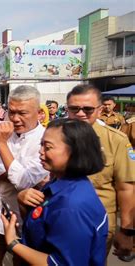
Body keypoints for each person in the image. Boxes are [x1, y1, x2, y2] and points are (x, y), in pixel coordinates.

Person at [3, 118, 108, 265]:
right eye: (41, 145)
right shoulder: (59, 183)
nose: (40, 152)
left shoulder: (72, 206)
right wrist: (23, 201)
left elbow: (59, 263)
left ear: (74, 152)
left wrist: (13, 243)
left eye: (48, 147)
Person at [0, 85, 48, 265]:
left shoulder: (46, 139)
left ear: (39, 113)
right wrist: (13, 171)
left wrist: (2, 144)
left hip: (24, 222)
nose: (15, 119)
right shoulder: (0, 128)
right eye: (12, 112)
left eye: (22, 113)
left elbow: (22, 181)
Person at [65, 84, 134, 260]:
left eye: (87, 109)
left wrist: (126, 231)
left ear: (99, 110)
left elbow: (126, 187)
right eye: (74, 109)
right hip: (59, 217)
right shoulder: (54, 134)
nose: (80, 114)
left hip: (98, 222)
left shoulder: (115, 140)